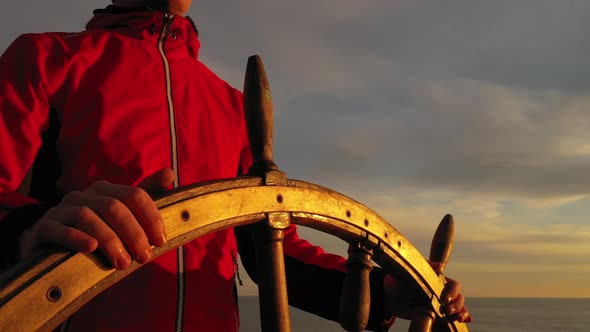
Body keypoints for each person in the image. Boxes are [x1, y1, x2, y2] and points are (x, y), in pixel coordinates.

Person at [0, 1, 471, 331]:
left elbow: (275, 253)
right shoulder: (44, 59)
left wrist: (386, 291)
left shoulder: (229, 105)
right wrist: (30, 228)